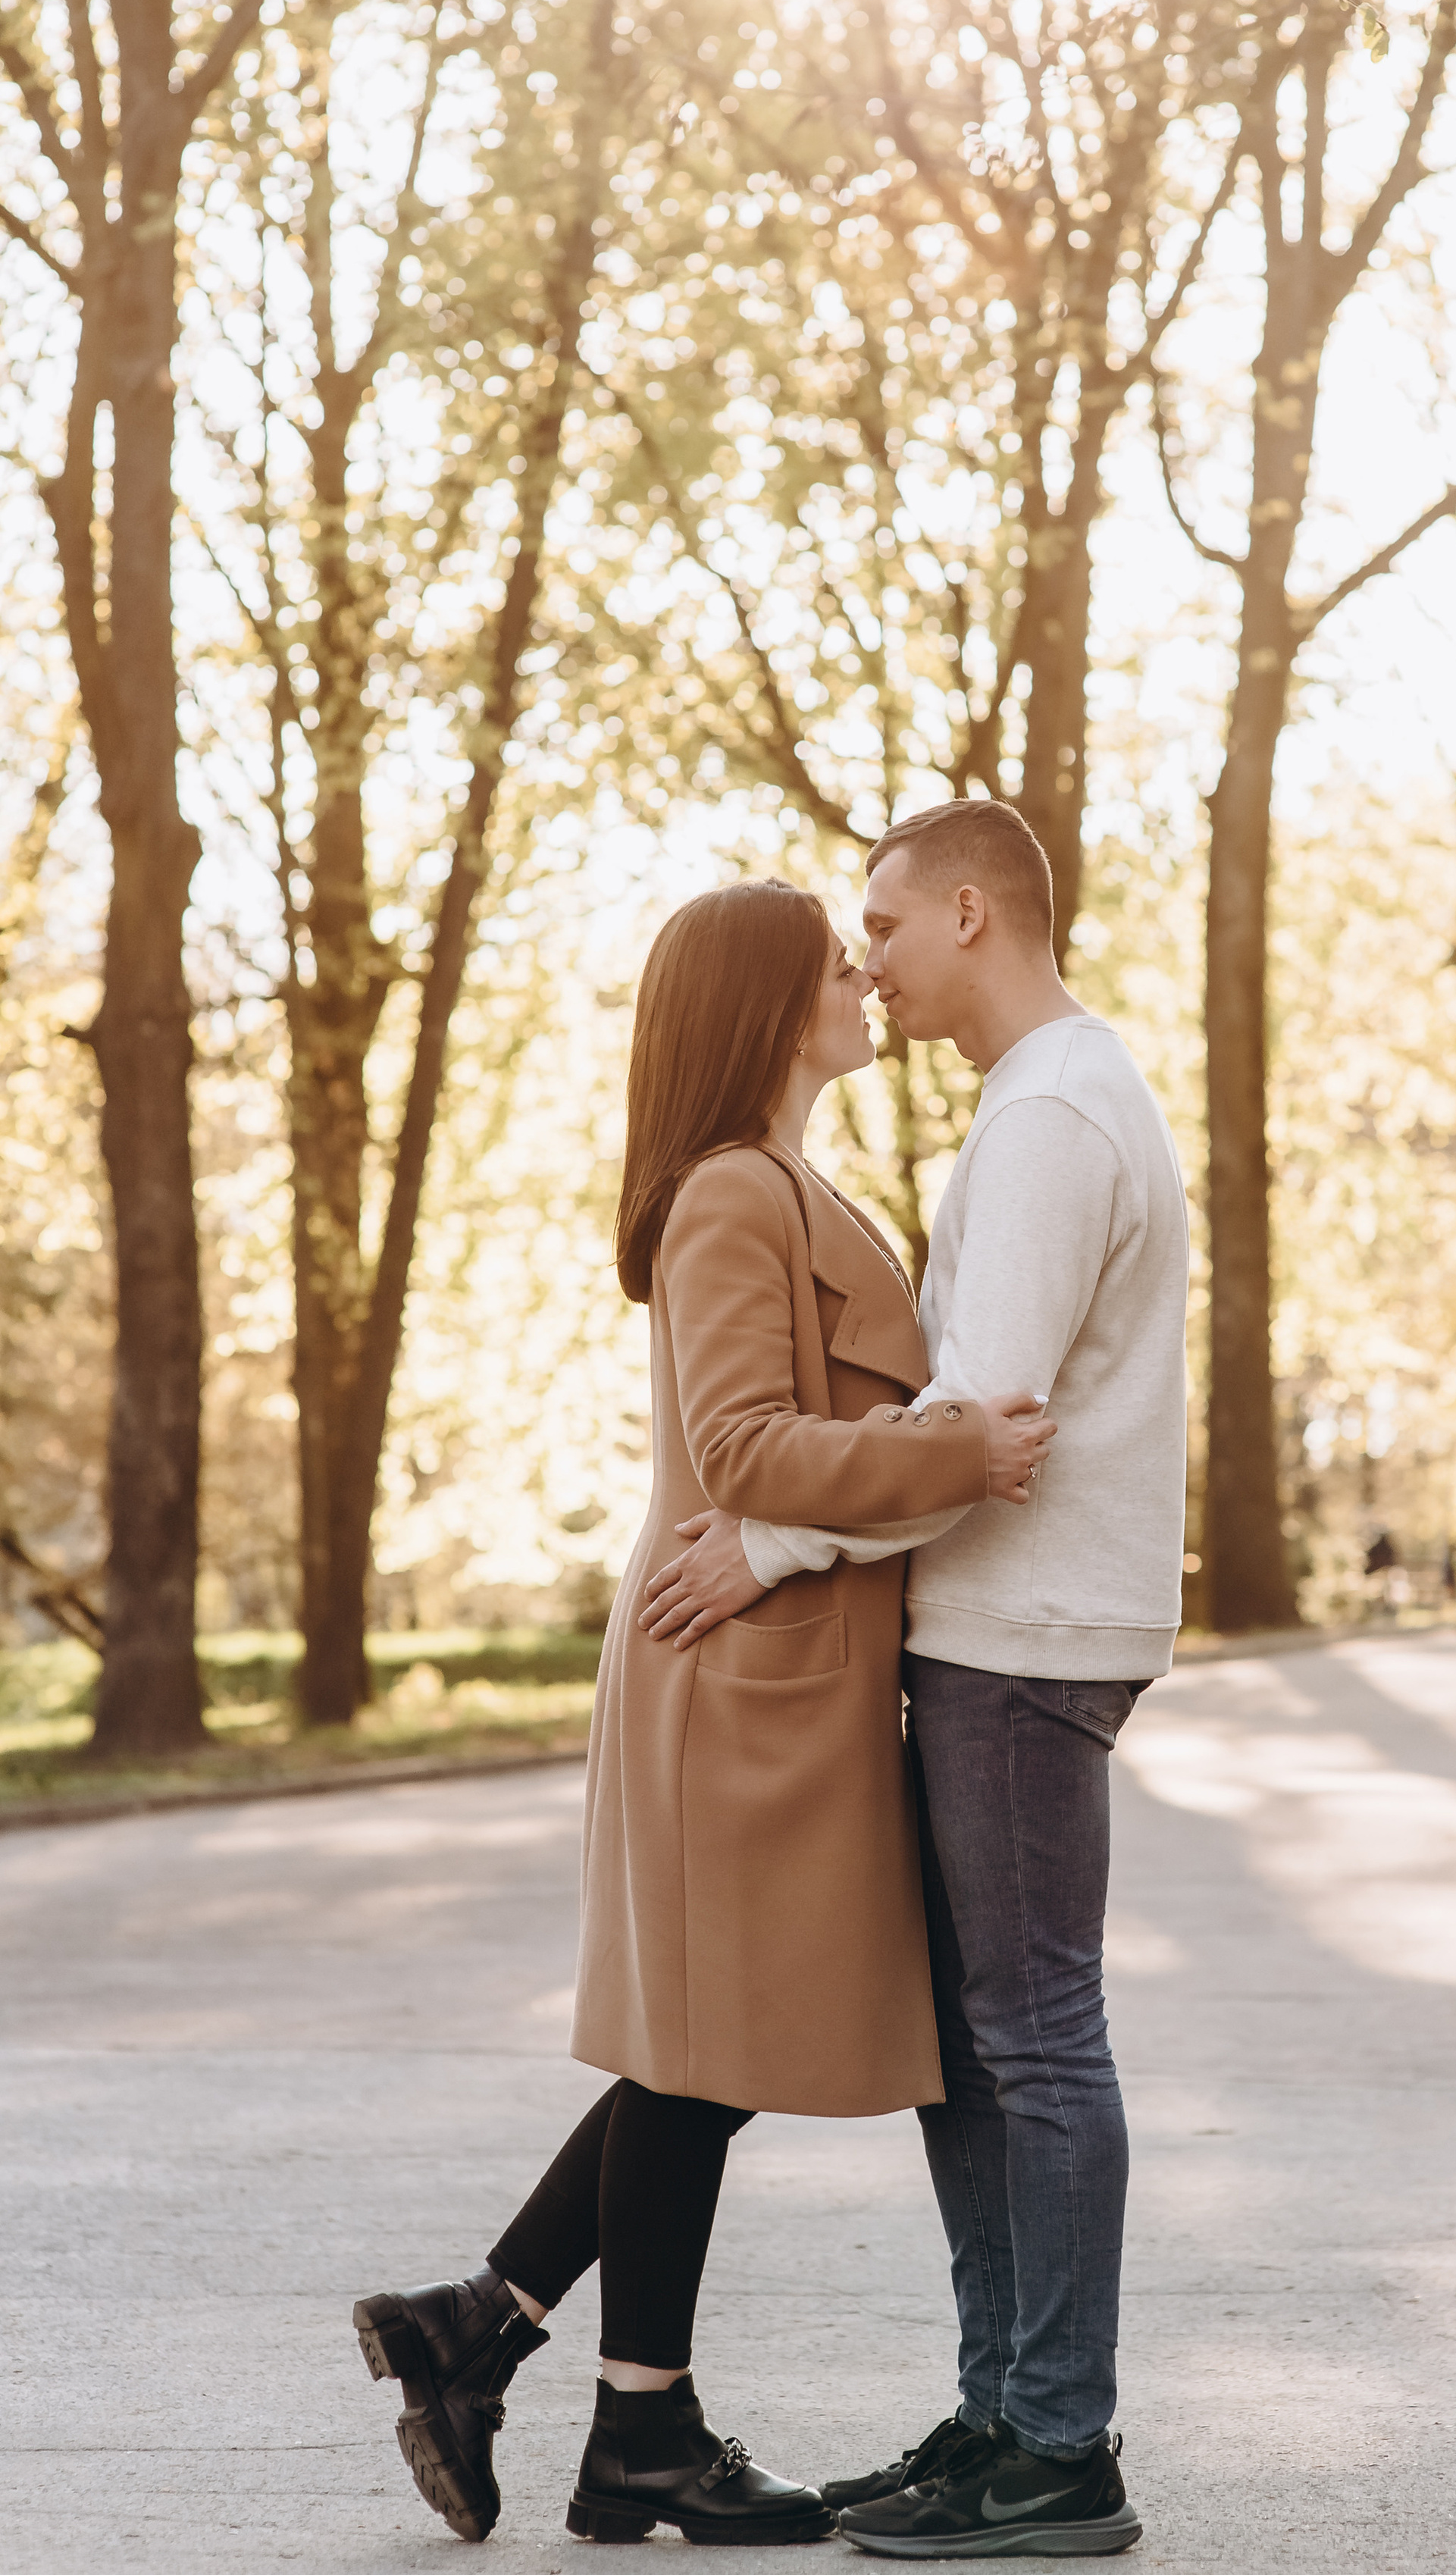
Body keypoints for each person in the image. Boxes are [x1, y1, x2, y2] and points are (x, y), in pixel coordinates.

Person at [350, 879, 1055, 2549]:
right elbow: (738, 1448)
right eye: (833, 961)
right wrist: (960, 1451)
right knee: (701, 2059)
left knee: (708, 2059)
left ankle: (500, 2344)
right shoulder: (734, 1197)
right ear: (764, 1005)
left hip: (778, 1684)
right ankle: (618, 2424)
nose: (862, 979)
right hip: (736, 1689)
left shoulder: (786, 1182)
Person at [640, 801, 1190, 2561]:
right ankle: (997, 2418)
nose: (864, 953)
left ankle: (1057, 2446)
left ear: (971, 911)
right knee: (979, 2047)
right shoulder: (1053, 1098)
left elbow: (978, 1428)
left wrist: (772, 1547)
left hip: (1020, 1641)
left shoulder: (1039, 1120)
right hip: (999, 1632)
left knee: (1028, 2040)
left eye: (881, 921)